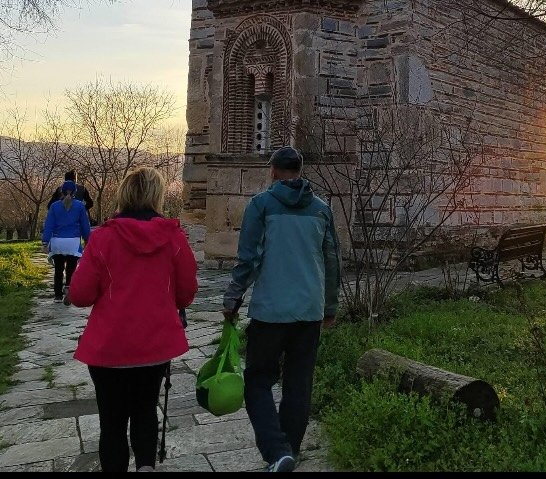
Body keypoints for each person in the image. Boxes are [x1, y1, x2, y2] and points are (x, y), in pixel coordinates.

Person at [68, 166, 198, 473]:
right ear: (157, 196)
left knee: (111, 422)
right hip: (154, 345)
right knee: (145, 411)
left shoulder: (102, 239)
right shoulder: (173, 237)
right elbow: (187, 292)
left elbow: (80, 294)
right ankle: (146, 467)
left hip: (108, 347)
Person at [222, 146, 340, 473]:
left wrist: (233, 298)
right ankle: (292, 449)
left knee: (258, 380)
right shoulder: (320, 210)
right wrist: (330, 304)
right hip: (309, 309)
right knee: (299, 383)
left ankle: (277, 451)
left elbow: (248, 259)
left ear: (273, 171)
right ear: (300, 171)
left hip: (271, 311)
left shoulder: (261, 205)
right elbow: (331, 259)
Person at [41, 179, 91, 303]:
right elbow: (85, 225)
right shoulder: (80, 206)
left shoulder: (54, 206)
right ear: (75, 192)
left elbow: (49, 225)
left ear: (61, 191)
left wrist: (45, 242)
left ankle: (57, 295)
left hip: (57, 242)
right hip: (73, 242)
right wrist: (87, 239)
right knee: (71, 269)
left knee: (58, 269)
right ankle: (68, 289)